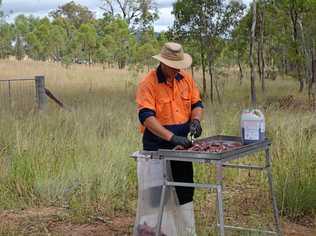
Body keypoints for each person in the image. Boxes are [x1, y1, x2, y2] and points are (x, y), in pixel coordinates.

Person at [135, 42, 204, 236]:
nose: (176, 70)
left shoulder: (186, 79)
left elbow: (197, 103)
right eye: (173, 67)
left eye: (179, 67)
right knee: (157, 195)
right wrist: (171, 137)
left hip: (183, 145)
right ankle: (159, 231)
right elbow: (146, 117)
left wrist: (196, 121)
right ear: (163, 63)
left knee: (184, 190)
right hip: (157, 144)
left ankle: (187, 232)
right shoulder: (148, 83)